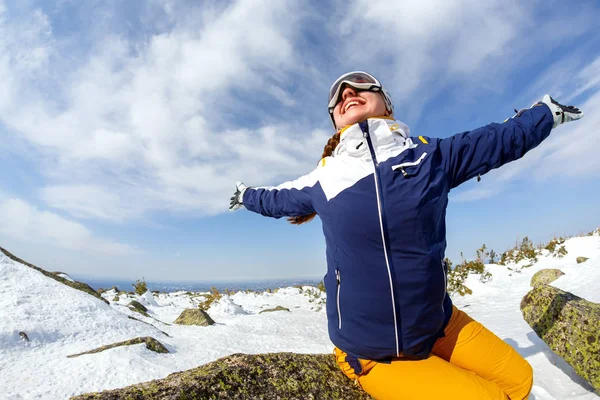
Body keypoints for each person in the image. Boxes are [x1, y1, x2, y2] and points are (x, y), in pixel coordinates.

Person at [228, 71, 584, 399]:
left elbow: (498, 139)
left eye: (360, 84)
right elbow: (273, 199)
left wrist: (545, 113)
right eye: (337, 97)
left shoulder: (430, 156)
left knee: (519, 378)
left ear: (386, 102)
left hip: (437, 324)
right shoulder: (323, 178)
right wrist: (245, 195)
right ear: (335, 119)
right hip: (372, 351)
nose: (347, 92)